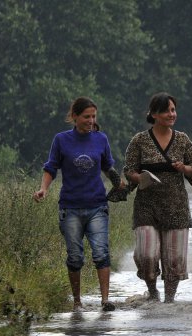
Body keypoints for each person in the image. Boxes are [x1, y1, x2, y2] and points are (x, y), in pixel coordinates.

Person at [33, 96, 124, 312]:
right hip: (70, 207)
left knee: (101, 252)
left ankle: (105, 300)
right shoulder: (61, 140)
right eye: (86, 117)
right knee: (75, 257)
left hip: (97, 206)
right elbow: (51, 168)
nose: (91, 120)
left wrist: (118, 183)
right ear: (74, 116)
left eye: (93, 116)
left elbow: (108, 167)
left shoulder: (101, 139)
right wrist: (44, 189)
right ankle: (77, 302)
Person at [123, 92, 192, 304]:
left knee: (174, 258)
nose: (171, 114)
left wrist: (183, 168)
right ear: (154, 114)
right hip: (146, 206)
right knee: (146, 254)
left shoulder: (183, 140)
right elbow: (129, 169)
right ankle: (152, 291)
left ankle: (169, 300)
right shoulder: (139, 141)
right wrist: (139, 177)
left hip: (176, 207)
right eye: (166, 110)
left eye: (173, 110)